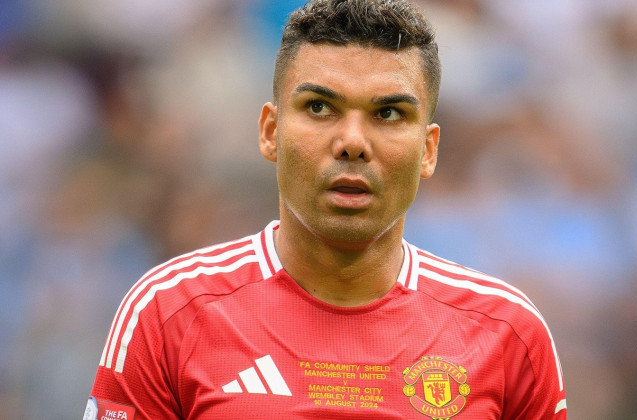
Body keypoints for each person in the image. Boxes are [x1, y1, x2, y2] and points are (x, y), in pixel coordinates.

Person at [84, 0, 567, 418]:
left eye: (388, 114)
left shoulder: (508, 334)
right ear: (271, 131)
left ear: (428, 150)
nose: (353, 142)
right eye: (319, 107)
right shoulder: (168, 313)